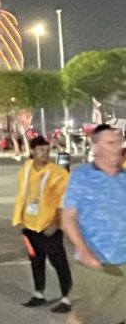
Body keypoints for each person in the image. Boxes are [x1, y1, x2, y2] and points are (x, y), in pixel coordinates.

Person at [60, 123, 126, 324]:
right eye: (111, 143)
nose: (118, 147)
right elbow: (67, 218)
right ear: (96, 147)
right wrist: (84, 250)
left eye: (119, 142)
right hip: (96, 263)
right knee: (83, 315)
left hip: (124, 261)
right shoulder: (82, 176)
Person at [12, 134, 71, 312]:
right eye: (41, 150)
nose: (45, 154)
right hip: (30, 226)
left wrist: (55, 223)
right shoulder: (26, 168)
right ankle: (39, 293)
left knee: (59, 262)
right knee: (36, 261)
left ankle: (67, 297)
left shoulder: (58, 173)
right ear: (32, 151)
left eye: (47, 150)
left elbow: (64, 200)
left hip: (49, 226)